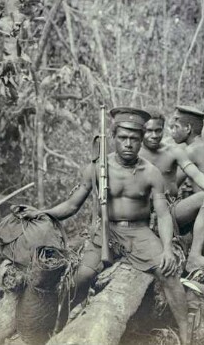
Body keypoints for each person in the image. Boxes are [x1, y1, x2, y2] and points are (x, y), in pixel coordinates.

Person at [24, 107, 189, 344]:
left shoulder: (151, 173)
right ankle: (59, 326)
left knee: (169, 273)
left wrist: (166, 249)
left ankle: (186, 333)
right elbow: (72, 206)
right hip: (106, 231)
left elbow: (163, 215)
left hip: (139, 232)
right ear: (113, 137)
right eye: (123, 137)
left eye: (134, 138)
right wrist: (41, 213)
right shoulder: (96, 168)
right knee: (80, 277)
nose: (128, 144)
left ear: (141, 140)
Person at [140, 108, 204, 231]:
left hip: (171, 208)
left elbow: (195, 173)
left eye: (158, 130)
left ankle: (195, 249)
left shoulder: (173, 151)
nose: (154, 136)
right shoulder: (135, 154)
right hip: (143, 211)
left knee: (203, 196)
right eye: (149, 131)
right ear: (141, 131)